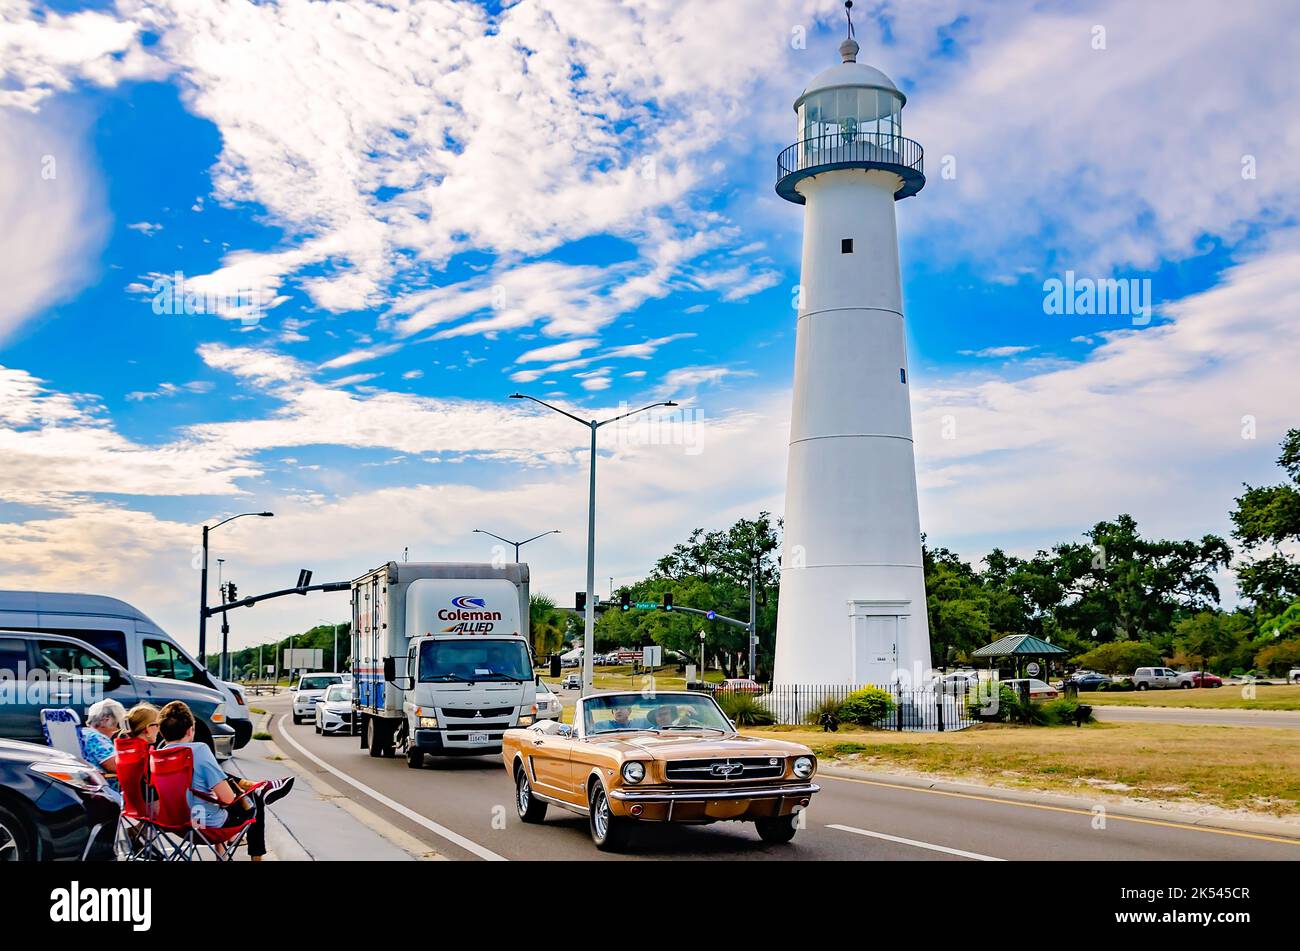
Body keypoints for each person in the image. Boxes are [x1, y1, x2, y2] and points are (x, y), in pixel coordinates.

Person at [155, 701, 291, 860]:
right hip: (204, 825)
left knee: (215, 802)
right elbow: (227, 798)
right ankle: (256, 857)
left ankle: (223, 856)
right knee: (255, 800)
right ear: (190, 730)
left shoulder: (158, 755)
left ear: (162, 732)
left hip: (173, 824)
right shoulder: (198, 750)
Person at [81, 698, 127, 788]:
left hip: (85, 784)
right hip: (104, 787)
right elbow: (117, 767)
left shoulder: (83, 733)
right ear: (106, 720)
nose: (119, 729)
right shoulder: (96, 738)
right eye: (118, 724)